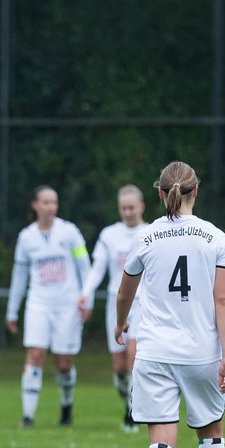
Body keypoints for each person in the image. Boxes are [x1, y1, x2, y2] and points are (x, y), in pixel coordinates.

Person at [114, 161, 225, 448]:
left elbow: (124, 294)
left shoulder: (145, 238)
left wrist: (120, 324)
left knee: (160, 439)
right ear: (195, 191)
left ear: (159, 194)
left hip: (155, 353)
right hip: (202, 353)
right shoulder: (215, 237)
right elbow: (223, 299)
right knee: (211, 433)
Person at [5, 185, 91, 427]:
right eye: (45, 202)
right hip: (38, 303)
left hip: (67, 304)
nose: (51, 207)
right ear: (35, 205)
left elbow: (85, 265)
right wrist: (12, 310)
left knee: (64, 363)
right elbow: (19, 276)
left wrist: (87, 298)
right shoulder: (26, 237)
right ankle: (28, 416)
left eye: (54, 202)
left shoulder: (70, 232)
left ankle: (66, 406)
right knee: (35, 353)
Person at [79, 184, 147, 432]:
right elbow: (97, 268)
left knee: (134, 357)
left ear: (141, 207)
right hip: (115, 304)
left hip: (141, 303)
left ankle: (133, 412)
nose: (127, 212)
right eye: (123, 208)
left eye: (131, 207)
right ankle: (126, 402)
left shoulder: (151, 233)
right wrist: (85, 293)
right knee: (119, 367)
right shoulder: (109, 235)